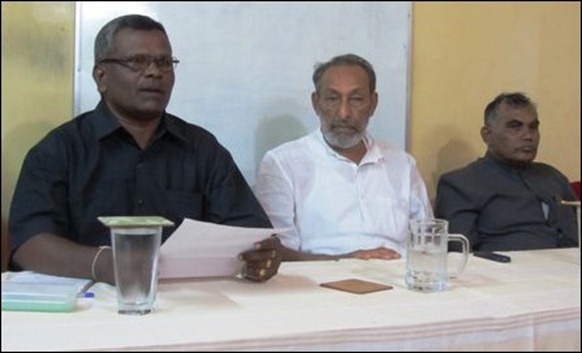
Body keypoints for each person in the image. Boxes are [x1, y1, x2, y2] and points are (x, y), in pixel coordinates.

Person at [8, 14, 280, 284]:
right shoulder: (59, 150)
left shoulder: (202, 149)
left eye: (164, 62)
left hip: (189, 304)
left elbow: (249, 230)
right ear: (101, 77)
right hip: (87, 305)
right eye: (137, 61)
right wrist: (104, 264)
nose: (154, 72)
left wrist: (262, 252)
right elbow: (30, 244)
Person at [255, 54, 433, 261]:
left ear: (373, 103)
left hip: (396, 281)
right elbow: (278, 252)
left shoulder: (403, 164)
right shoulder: (282, 163)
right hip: (319, 282)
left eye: (356, 99)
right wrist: (345, 260)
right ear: (316, 103)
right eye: (332, 98)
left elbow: (427, 241)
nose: (344, 113)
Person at [435, 92, 578, 251]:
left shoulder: (553, 177)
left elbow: (573, 241)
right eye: (515, 127)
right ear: (487, 135)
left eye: (533, 127)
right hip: (503, 272)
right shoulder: (460, 185)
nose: (528, 136)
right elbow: (460, 256)